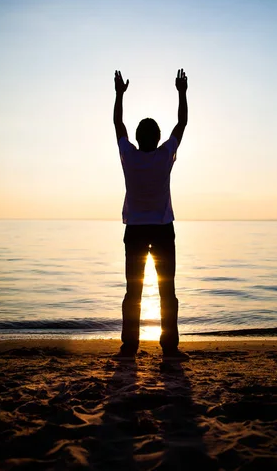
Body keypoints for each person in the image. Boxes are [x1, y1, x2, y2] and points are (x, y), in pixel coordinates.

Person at [113, 68, 189, 360]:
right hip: (160, 229)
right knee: (166, 291)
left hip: (135, 230)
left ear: (137, 138)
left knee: (133, 291)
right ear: (157, 138)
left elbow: (118, 123)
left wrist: (119, 94)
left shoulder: (129, 156)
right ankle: (169, 349)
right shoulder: (163, 155)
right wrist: (181, 92)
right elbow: (181, 123)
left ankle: (129, 347)